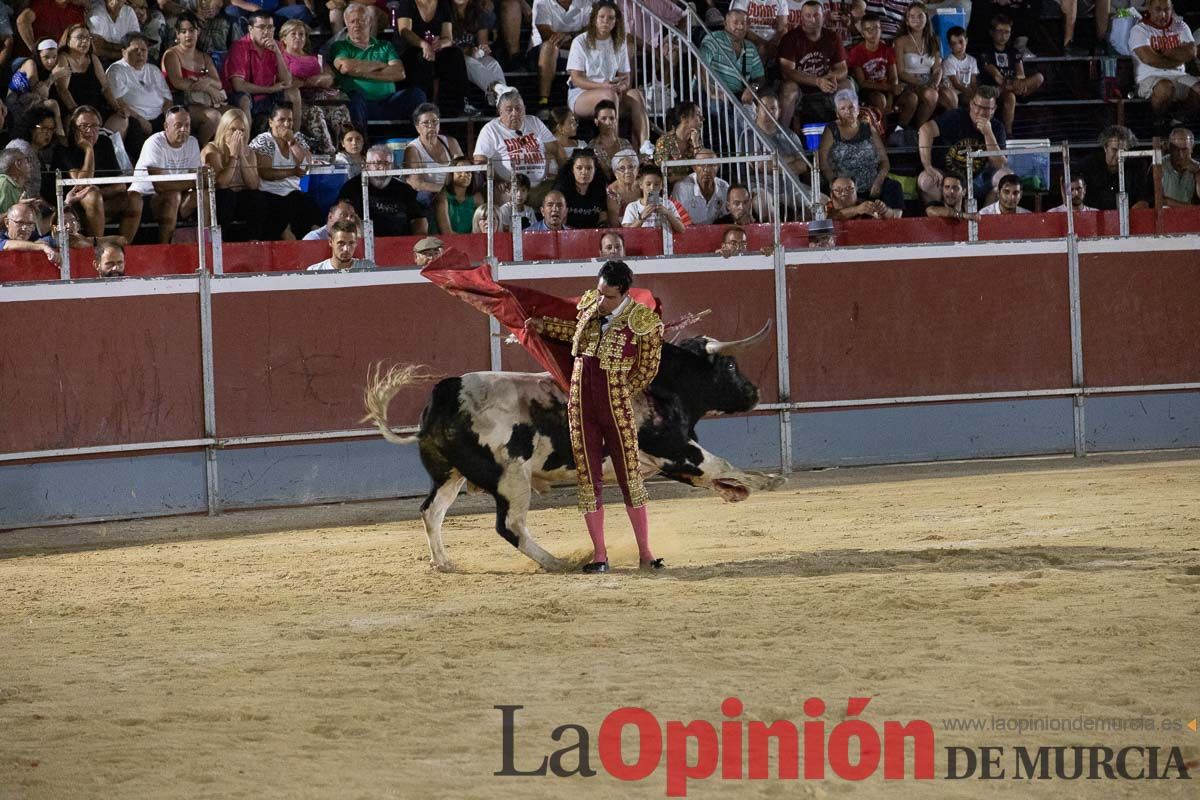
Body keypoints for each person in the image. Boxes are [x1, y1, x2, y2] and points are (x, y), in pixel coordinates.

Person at [523, 260, 665, 572]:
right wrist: (543, 326)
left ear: (624, 293)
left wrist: (620, 387)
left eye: (608, 296)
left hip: (615, 404)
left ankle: (645, 553)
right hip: (580, 402)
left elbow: (647, 368)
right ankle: (600, 555)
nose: (601, 301)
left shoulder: (643, 321)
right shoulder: (591, 304)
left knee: (630, 474)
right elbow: (573, 331)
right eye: (599, 293)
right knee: (588, 476)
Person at [565, 2, 648, 148]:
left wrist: (622, 87)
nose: (606, 21)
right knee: (609, 94)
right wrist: (604, 86)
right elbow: (577, 79)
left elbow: (625, 77)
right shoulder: (581, 41)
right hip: (582, 95)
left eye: (611, 18)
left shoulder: (619, 41)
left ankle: (644, 149)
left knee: (636, 94)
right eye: (601, 17)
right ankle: (615, 146)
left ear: (616, 21)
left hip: (611, 92)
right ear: (594, 19)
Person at [331, 3, 426, 131]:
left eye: (361, 20)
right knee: (354, 99)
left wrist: (360, 71)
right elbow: (346, 67)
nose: (356, 24)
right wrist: (381, 66)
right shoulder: (340, 46)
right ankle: (361, 144)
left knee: (417, 95)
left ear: (369, 21)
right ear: (346, 24)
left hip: (389, 101)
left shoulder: (384, 46)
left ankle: (414, 143)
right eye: (352, 21)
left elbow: (399, 73)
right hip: (362, 104)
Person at [57, 104, 144, 242]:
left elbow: (120, 186)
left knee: (134, 199)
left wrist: (99, 192)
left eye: (95, 126)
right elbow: (81, 184)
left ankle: (123, 250)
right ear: (74, 128)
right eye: (84, 126)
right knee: (92, 196)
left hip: (102, 202)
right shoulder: (65, 148)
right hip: (75, 208)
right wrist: (89, 150)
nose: (90, 131)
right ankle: (98, 248)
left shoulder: (104, 143)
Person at [917, 85, 1009, 205]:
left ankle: (987, 219)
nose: (980, 112)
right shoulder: (956, 116)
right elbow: (925, 129)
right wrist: (928, 166)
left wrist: (988, 133)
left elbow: (999, 163)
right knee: (926, 181)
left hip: (978, 178)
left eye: (986, 108)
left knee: (1006, 178)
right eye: (978, 106)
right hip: (948, 176)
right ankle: (942, 218)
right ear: (971, 104)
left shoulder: (997, 127)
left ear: (993, 109)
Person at [818, 88, 904, 214]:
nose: (848, 112)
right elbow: (823, 162)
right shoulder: (831, 130)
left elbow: (884, 161)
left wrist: (878, 181)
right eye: (843, 109)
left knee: (894, 187)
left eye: (851, 107)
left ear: (858, 110)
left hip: (871, 185)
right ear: (837, 113)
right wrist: (835, 183)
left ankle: (891, 217)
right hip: (843, 187)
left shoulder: (868, 128)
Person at [472, 89, 562, 201]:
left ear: (524, 109)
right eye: (509, 110)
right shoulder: (490, 129)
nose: (514, 113)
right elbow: (479, 160)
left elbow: (556, 149)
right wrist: (498, 180)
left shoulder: (534, 122)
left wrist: (561, 173)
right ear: (500, 112)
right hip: (509, 188)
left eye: (518, 108)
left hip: (540, 187)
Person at [131, 105, 201, 243]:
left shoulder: (192, 143)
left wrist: (199, 181)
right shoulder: (155, 143)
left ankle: (206, 244)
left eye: (187, 125)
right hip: (145, 199)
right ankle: (165, 247)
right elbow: (160, 186)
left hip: (177, 198)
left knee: (203, 193)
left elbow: (198, 180)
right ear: (166, 126)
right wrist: (195, 182)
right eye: (178, 125)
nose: (184, 130)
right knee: (172, 195)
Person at [279, 19, 349, 156]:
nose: (298, 37)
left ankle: (345, 150)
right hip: (300, 101)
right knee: (315, 112)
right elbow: (287, 81)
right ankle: (328, 152)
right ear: (284, 39)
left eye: (301, 34)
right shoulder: (282, 58)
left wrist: (323, 78)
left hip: (322, 97)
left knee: (341, 111)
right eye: (293, 34)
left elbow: (329, 76)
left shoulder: (315, 58)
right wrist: (309, 82)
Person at [250, 101, 320, 239]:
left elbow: (306, 164)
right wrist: (292, 172)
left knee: (309, 205)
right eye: (282, 120)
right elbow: (265, 172)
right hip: (269, 192)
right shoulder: (264, 140)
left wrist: (291, 142)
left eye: (290, 120)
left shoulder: (297, 137)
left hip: (294, 192)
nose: (287, 125)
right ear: (271, 122)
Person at [201, 107, 268, 241]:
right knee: (227, 195)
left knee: (258, 197)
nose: (238, 134)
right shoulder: (212, 149)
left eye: (242, 131)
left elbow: (253, 184)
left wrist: (241, 155)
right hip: (220, 199)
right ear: (224, 130)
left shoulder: (250, 152)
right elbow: (221, 183)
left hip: (241, 199)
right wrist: (233, 157)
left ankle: (254, 241)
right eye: (233, 130)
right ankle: (220, 242)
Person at [778, 0, 848, 128]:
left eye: (816, 15)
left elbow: (843, 69)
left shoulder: (833, 37)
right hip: (800, 87)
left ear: (823, 17)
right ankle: (781, 136)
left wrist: (832, 77)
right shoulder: (790, 38)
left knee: (847, 85)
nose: (812, 20)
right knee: (789, 89)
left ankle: (849, 132)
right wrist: (817, 81)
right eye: (808, 16)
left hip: (826, 83)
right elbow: (788, 72)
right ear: (801, 17)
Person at [1129, 0, 1197, 130]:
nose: (1163, 14)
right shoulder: (1139, 29)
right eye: (1158, 9)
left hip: (1179, 75)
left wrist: (1164, 54)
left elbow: (1191, 52)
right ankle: (1158, 123)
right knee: (1165, 87)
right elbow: (1150, 59)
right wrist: (1176, 57)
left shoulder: (1180, 25)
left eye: (1166, 10)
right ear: (1149, 8)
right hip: (1150, 76)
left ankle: (1178, 120)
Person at [105, 33, 172, 161]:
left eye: (144, 50)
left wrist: (167, 120)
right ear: (124, 52)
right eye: (135, 50)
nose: (140, 53)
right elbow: (118, 103)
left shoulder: (153, 70)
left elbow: (168, 100)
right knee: (146, 157)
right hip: (134, 119)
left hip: (159, 118)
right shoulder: (116, 70)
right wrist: (141, 120)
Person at [339, 143, 430, 236]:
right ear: (367, 165)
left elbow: (419, 219)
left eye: (386, 163)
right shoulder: (351, 188)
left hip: (399, 245)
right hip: (363, 244)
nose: (382, 167)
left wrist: (419, 240)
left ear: (392, 166)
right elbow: (341, 218)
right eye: (377, 163)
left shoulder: (404, 189)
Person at [162, 13, 226, 146]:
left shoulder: (204, 57)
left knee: (234, 115)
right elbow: (178, 83)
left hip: (203, 101)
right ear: (177, 34)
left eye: (191, 30)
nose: (188, 35)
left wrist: (207, 81)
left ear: (198, 32)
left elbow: (218, 83)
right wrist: (208, 87)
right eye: (183, 31)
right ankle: (198, 149)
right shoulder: (171, 54)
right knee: (214, 117)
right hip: (179, 101)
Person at [396, 0, 468, 116]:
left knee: (455, 55)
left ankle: (454, 107)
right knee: (422, 57)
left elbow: (448, 38)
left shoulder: (443, 4)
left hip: (434, 49)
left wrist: (440, 43)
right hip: (412, 49)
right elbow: (405, 32)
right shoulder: (407, 3)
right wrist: (423, 44)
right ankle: (425, 109)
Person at [52, 23, 125, 136]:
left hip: (96, 109)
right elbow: (63, 90)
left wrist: (116, 107)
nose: (85, 41)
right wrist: (77, 112)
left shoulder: (93, 58)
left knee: (122, 119)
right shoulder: (63, 58)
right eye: (80, 37)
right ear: (68, 40)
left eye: (88, 38)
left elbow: (105, 86)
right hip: (73, 110)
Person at [223, 11, 298, 121]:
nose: (266, 32)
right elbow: (238, 86)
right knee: (244, 99)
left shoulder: (276, 45)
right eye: (262, 27)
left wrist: (277, 52)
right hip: (244, 95)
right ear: (250, 29)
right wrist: (269, 89)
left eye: (270, 27)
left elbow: (287, 82)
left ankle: (293, 136)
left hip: (267, 94)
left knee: (293, 92)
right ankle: (245, 137)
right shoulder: (239, 47)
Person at [978, 13, 1043, 137]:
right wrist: (1014, 84)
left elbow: (1021, 75)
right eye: (1000, 31)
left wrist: (1018, 83)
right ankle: (1008, 133)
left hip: (1012, 87)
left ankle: (1017, 90)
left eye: (1007, 32)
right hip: (995, 89)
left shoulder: (1014, 52)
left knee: (1039, 77)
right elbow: (997, 77)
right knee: (1010, 96)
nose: (1003, 36)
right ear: (992, 32)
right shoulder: (986, 52)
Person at [893, 2, 945, 131]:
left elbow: (938, 68)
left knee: (950, 96)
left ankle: (929, 131)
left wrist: (934, 83)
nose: (917, 20)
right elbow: (900, 72)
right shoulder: (900, 41)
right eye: (912, 16)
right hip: (908, 83)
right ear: (907, 20)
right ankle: (918, 129)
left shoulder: (935, 40)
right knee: (931, 95)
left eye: (920, 16)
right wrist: (922, 83)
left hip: (930, 82)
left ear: (927, 18)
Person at [530, 0, 590, 108]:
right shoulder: (541, 2)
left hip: (576, 51)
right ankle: (544, 100)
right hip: (541, 52)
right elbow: (547, 35)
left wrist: (566, 37)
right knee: (550, 46)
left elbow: (589, 34)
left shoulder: (587, 2)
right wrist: (576, 37)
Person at [700, 8, 767, 103]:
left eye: (743, 23)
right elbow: (700, 62)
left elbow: (760, 78)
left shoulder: (750, 47)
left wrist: (753, 88)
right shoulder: (714, 38)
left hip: (739, 96)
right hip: (714, 95)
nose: (740, 27)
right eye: (735, 23)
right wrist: (710, 90)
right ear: (725, 24)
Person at [1077, 125, 1152, 211]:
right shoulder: (1089, 164)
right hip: (1095, 218)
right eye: (1114, 150)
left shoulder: (1137, 167)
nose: (1118, 155)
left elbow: (1143, 199)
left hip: (1128, 219)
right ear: (1105, 148)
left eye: (1123, 151)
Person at [403, 102, 464, 204]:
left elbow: (463, 169)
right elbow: (416, 183)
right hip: (431, 195)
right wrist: (445, 191)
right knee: (440, 199)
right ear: (417, 128)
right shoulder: (413, 149)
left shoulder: (451, 142)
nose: (431, 126)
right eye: (425, 123)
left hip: (451, 190)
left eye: (434, 121)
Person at [449, 0, 506, 108]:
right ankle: (499, 90)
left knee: (492, 63)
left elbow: (482, 44)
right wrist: (468, 51)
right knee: (468, 62)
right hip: (455, 59)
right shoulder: (445, 12)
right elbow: (449, 48)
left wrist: (483, 49)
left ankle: (499, 103)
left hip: (473, 54)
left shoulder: (478, 13)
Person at [847, 13, 901, 117]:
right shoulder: (856, 52)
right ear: (863, 34)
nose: (873, 33)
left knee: (911, 98)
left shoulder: (887, 50)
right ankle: (880, 132)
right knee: (880, 100)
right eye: (868, 30)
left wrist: (890, 98)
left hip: (887, 88)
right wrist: (889, 88)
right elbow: (862, 83)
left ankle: (900, 129)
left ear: (881, 30)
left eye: (876, 28)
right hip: (869, 91)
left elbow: (893, 78)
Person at [6, 38, 65, 133]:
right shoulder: (31, 64)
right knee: (52, 104)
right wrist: (53, 77)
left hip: (28, 104)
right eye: (46, 57)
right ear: (38, 55)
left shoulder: (47, 69)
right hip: (15, 106)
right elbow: (37, 95)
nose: (51, 61)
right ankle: (61, 139)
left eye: (54, 57)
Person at [670, 147, 729, 226]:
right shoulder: (681, 188)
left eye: (711, 165)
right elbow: (675, 220)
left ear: (718, 166)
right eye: (702, 165)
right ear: (694, 167)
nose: (706, 169)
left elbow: (727, 218)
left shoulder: (724, 187)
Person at [622, 163, 684, 232]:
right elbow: (627, 232)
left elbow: (682, 229)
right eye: (648, 184)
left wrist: (667, 213)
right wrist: (641, 218)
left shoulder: (668, 204)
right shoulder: (632, 207)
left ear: (661, 186)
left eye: (656, 184)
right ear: (641, 185)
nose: (652, 188)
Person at [653, 101, 703, 185]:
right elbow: (661, 174)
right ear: (683, 118)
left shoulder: (696, 140)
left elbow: (701, 168)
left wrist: (696, 144)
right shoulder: (664, 141)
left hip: (691, 187)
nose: (702, 118)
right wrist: (687, 178)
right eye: (698, 114)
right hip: (669, 189)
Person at [556, 148, 608, 228]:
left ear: (595, 170)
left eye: (589, 168)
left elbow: (603, 219)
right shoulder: (561, 191)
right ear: (572, 170)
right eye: (579, 168)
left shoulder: (601, 190)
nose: (584, 172)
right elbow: (559, 223)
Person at [435, 154, 483, 233]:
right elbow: (446, 232)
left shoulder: (477, 197)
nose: (464, 174)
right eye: (460, 170)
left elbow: (479, 228)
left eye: (468, 171)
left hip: (473, 241)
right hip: (448, 242)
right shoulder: (443, 197)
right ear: (451, 173)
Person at [586, 99, 631, 182]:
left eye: (611, 118)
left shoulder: (625, 143)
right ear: (596, 122)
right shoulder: (592, 147)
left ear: (616, 120)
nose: (608, 122)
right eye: (604, 118)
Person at [306, 218, 375, 270]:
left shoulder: (368, 268)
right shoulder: (315, 271)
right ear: (330, 242)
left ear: (356, 243)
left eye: (351, 243)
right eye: (341, 243)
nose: (346, 249)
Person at [1161, 127, 1199, 206]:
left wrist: (1198, 174)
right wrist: (1188, 208)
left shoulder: (1197, 167)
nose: (1180, 155)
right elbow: (1156, 200)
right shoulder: (1160, 166)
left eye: (1184, 150)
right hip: (1166, 216)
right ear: (1170, 148)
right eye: (1176, 149)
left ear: (1192, 148)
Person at [827, 174, 894, 219]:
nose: (844, 193)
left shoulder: (864, 204)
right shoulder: (825, 206)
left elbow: (893, 216)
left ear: (856, 190)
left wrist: (884, 210)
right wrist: (857, 209)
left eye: (850, 189)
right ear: (831, 194)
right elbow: (830, 216)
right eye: (838, 190)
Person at [942, 25, 977, 106]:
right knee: (972, 101)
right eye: (954, 43)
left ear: (966, 41)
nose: (958, 46)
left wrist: (976, 93)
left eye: (961, 42)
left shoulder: (972, 60)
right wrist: (972, 93)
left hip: (968, 91)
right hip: (955, 92)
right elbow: (956, 84)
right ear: (950, 46)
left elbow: (974, 82)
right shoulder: (949, 61)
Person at [605, 146, 639, 225]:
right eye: (622, 168)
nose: (627, 171)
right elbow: (614, 224)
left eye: (631, 167)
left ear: (637, 169)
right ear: (616, 174)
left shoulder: (644, 186)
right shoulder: (612, 192)